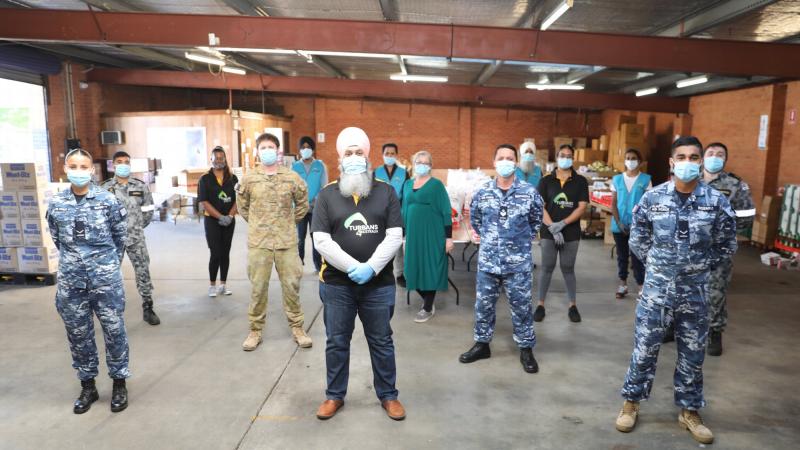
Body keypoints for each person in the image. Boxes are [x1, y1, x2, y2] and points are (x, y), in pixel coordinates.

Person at [616, 136, 737, 445]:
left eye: (694, 157)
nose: (688, 162)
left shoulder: (716, 201)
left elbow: (726, 244)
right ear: (671, 163)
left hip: (696, 293)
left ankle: (690, 409)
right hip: (657, 291)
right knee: (644, 348)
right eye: (681, 157)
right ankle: (631, 402)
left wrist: (699, 267)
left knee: (693, 354)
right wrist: (659, 266)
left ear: (700, 162)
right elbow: (638, 238)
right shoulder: (653, 198)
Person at [312, 127, 405, 421]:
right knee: (337, 340)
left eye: (359, 152)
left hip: (378, 284)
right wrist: (352, 267)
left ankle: (389, 395)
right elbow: (321, 240)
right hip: (337, 284)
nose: (354, 157)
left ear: (368, 156)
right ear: (340, 158)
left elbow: (394, 235)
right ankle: (334, 396)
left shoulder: (385, 191)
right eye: (348, 153)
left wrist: (372, 267)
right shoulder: (327, 195)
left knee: (381, 340)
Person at [47, 148, 130, 414]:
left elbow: (120, 239)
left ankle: (119, 383)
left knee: (114, 330)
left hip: (106, 281)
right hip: (72, 283)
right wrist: (77, 265)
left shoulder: (108, 201)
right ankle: (88, 385)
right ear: (65, 169)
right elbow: (58, 240)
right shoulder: (57, 204)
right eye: (73, 166)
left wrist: (104, 267)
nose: (79, 171)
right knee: (78, 334)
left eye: (84, 167)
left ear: (92, 170)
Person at [459, 144, 544, 374]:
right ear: (494, 162)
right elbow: (476, 221)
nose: (505, 161)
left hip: (518, 264)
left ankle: (526, 348)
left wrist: (516, 241)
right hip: (488, 262)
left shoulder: (529, 193)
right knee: (483, 305)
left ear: (516, 162)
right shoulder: (483, 192)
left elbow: (535, 222)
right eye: (501, 157)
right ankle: (482, 344)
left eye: (510, 157)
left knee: (522, 307)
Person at [237, 133, 312, 351]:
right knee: (258, 287)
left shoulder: (291, 177)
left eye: (271, 147)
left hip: (286, 242)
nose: (267, 150)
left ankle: (298, 328)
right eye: (263, 147)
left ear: (278, 151)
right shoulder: (249, 178)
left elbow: (302, 204)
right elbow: (243, 206)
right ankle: (255, 330)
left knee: (291, 286)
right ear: (258, 152)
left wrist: (286, 223)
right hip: (259, 243)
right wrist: (259, 224)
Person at [702, 142, 755, 356]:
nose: (715, 157)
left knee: (715, 291)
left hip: (718, 250)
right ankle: (674, 326)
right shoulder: (687, 180)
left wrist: (725, 233)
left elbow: (747, 214)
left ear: (725, 159)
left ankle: (714, 332)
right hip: (688, 248)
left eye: (720, 154)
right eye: (711, 153)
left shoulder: (735, 184)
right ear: (703, 157)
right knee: (682, 289)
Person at [101, 151, 160, 326]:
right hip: (113, 240)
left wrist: (138, 226)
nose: (123, 165)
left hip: (136, 237)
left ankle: (148, 307)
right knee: (111, 275)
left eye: (126, 162)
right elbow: (98, 213)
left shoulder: (140, 186)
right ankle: (110, 311)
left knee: (143, 271)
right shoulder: (104, 188)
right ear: (113, 164)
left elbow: (149, 209)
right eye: (119, 162)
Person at [535, 144, 589, 323]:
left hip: (571, 232)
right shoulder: (546, 180)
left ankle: (572, 305)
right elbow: (540, 206)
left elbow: (581, 207)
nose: (565, 158)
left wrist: (563, 224)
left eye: (569, 155)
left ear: (573, 158)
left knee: (568, 268)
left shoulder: (580, 181)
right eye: (562, 155)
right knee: (547, 267)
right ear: (557, 157)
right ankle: (540, 304)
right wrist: (552, 227)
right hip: (549, 232)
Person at [401, 151, 453, 323]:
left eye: (426, 162)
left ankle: (428, 306)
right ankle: (427, 300)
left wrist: (448, 238)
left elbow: (446, 211)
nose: (422, 165)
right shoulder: (407, 184)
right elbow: (403, 210)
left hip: (433, 233)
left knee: (431, 268)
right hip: (413, 235)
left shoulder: (437, 185)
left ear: (431, 166)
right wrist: (401, 233)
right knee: (410, 270)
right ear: (413, 164)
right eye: (418, 161)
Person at [610, 148, 652, 299]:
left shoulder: (646, 180)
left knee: (638, 257)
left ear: (640, 162)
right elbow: (613, 204)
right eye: (628, 158)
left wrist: (641, 223)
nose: (630, 160)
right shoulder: (617, 179)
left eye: (634, 158)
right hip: (619, 225)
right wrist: (619, 222)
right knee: (622, 256)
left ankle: (641, 286)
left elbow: (648, 204)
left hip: (638, 226)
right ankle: (622, 284)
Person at [198, 146, 238, 297]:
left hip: (229, 221)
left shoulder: (232, 178)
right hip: (212, 221)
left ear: (225, 159)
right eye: (216, 158)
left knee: (225, 253)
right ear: (211, 159)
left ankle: (223, 285)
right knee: (215, 253)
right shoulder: (205, 179)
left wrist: (230, 216)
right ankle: (212, 285)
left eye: (222, 158)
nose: (219, 160)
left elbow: (238, 199)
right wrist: (220, 217)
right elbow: (204, 202)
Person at [373, 142, 409, 287]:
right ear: (382, 155)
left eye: (392, 154)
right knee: (380, 244)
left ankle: (400, 274)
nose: (389, 156)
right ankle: (380, 271)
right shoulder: (376, 172)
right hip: (380, 214)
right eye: (387, 153)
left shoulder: (403, 172)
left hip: (397, 213)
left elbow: (406, 195)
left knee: (398, 245)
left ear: (396, 155)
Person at [292, 136, 327, 272]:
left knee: (316, 238)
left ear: (313, 149)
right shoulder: (294, 166)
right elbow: (291, 187)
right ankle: (299, 265)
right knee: (300, 238)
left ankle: (318, 266)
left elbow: (323, 186)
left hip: (316, 208)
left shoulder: (320, 165)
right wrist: (299, 203)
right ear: (300, 150)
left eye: (308, 147)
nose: (306, 149)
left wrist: (315, 201)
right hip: (300, 208)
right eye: (303, 147)